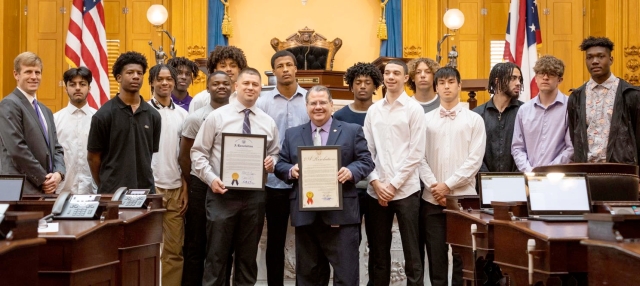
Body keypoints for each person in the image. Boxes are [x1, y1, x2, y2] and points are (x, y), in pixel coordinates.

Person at [274, 85, 374, 285]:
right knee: (308, 277)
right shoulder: (293, 134)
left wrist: (351, 171)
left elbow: (366, 161)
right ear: (307, 106)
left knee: (346, 276)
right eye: (313, 103)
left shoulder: (352, 131)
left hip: (342, 216)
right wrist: (290, 171)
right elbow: (281, 164)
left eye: (322, 102)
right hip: (306, 216)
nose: (318, 107)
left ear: (331, 105)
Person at [191, 68, 279, 286]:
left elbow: (275, 152)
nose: (250, 88)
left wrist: (272, 162)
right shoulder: (217, 117)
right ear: (236, 86)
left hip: (254, 197)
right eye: (246, 83)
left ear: (260, 90)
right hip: (222, 194)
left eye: (255, 85)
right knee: (216, 257)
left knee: (248, 259)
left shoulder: (268, 122)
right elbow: (198, 152)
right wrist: (211, 179)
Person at [419, 67, 485, 286]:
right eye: (442, 83)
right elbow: (418, 157)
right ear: (436, 87)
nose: (446, 86)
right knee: (436, 259)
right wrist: (434, 187)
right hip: (432, 200)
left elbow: (474, 161)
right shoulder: (424, 120)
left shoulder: (475, 120)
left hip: (464, 200)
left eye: (451, 82)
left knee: (463, 260)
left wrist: (447, 186)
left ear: (459, 85)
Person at [363, 60, 426, 286]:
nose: (391, 77)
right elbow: (367, 150)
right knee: (378, 252)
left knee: (412, 253)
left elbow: (416, 153)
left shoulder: (414, 109)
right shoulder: (373, 110)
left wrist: (393, 185)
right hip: (376, 191)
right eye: (387, 73)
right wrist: (376, 182)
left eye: (396, 73)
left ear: (405, 78)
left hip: (406, 190)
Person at [255, 50, 308, 286]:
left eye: (289, 65)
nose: (285, 69)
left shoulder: (310, 99)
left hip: (306, 182)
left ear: (296, 69)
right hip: (273, 182)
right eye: (280, 66)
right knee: (275, 241)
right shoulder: (262, 102)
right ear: (274, 71)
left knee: (306, 241)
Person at [180, 71, 232, 286]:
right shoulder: (195, 118)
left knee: (224, 245)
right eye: (215, 83)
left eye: (225, 83)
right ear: (207, 88)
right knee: (196, 244)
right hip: (201, 186)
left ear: (233, 87)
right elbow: (184, 156)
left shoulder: (239, 115)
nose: (221, 87)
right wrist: (195, 184)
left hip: (229, 187)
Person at [87, 51, 161, 194]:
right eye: (130, 72)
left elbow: (148, 154)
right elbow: (93, 158)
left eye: (139, 73)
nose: (135, 76)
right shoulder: (103, 115)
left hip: (145, 192)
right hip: (113, 193)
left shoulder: (153, 115)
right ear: (119, 77)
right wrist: (106, 184)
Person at [0, 52, 65, 194]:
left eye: (38, 72)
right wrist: (43, 179)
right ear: (16, 74)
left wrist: (59, 174)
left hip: (45, 190)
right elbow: (17, 149)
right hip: (18, 191)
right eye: (28, 72)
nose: (34, 77)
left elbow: (56, 148)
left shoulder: (45, 110)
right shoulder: (9, 104)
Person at [147, 64, 188, 285]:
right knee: (146, 248)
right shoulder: (142, 111)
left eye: (169, 79)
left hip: (175, 189)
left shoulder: (183, 115)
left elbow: (186, 156)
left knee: (174, 250)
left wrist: (185, 186)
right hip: (149, 189)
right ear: (152, 82)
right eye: (160, 79)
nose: (165, 83)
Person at [568, 36, 640, 164]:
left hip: (621, 170)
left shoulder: (630, 94)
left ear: (611, 59)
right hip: (586, 170)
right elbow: (575, 137)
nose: (594, 61)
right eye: (589, 57)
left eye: (600, 56)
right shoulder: (576, 96)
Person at [512, 55, 573, 172]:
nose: (545, 77)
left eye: (551, 74)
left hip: (559, 177)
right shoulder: (524, 110)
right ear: (535, 78)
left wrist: (547, 171)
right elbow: (517, 147)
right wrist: (529, 171)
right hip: (529, 176)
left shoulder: (570, 107)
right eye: (541, 73)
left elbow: (571, 148)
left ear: (559, 80)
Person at [472, 62, 524, 172]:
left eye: (519, 79)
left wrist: (517, 177)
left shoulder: (525, 112)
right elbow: (473, 153)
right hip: (484, 182)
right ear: (497, 81)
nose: (518, 83)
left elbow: (529, 150)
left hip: (518, 182)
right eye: (513, 78)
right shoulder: (477, 115)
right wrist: (487, 178)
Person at [54, 67, 97, 194]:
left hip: (93, 191)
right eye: (72, 84)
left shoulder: (99, 118)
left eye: (82, 84)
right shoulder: (54, 119)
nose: (77, 88)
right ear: (66, 88)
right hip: (62, 191)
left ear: (89, 88)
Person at [189, 46, 248, 113]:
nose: (228, 69)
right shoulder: (201, 99)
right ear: (215, 70)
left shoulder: (246, 97)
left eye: (233, 66)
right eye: (223, 66)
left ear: (239, 70)